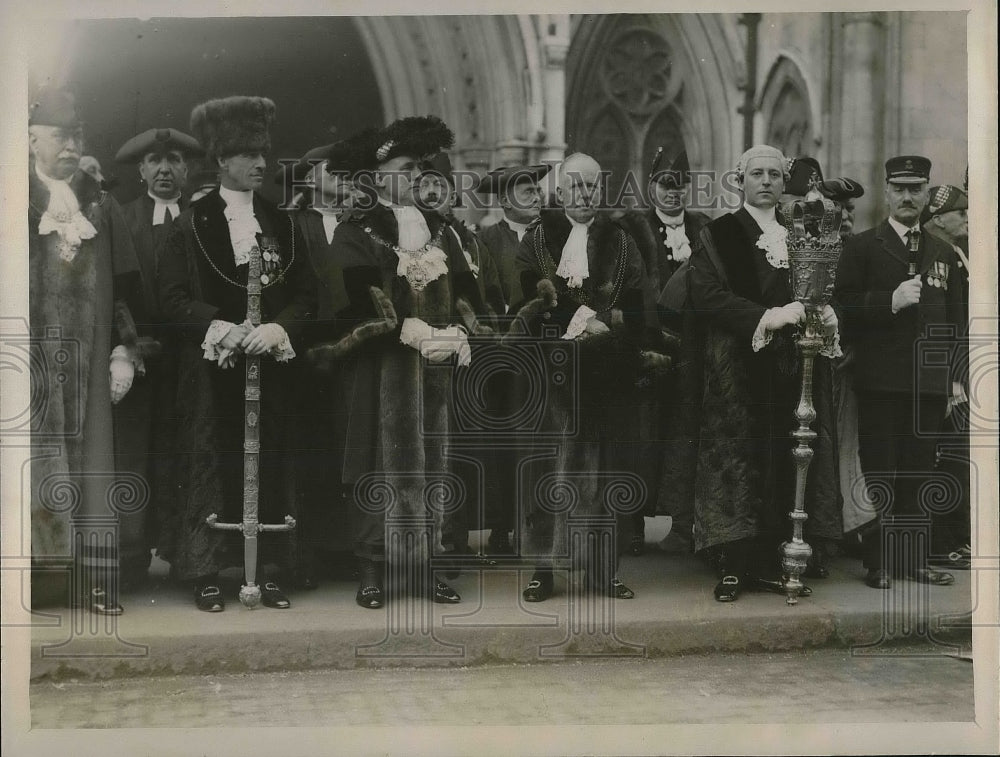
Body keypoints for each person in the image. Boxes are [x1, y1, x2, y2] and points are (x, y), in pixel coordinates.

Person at [157, 95, 318, 612]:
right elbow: (171, 299)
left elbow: (306, 296)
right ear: (222, 160)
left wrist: (276, 328)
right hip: (211, 370)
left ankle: (268, 568)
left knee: (269, 460)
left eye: (263, 153)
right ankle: (204, 570)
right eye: (248, 154)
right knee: (209, 459)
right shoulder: (189, 222)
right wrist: (221, 328)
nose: (262, 164)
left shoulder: (282, 222)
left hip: (271, 365)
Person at [326, 116, 484, 609]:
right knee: (379, 459)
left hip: (435, 370)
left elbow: (470, 291)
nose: (417, 174)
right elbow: (352, 303)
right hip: (380, 370)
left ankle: (427, 564)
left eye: (420, 166)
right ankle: (372, 568)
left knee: (434, 461)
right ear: (377, 177)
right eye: (406, 166)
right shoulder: (356, 232)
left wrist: (462, 331)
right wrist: (405, 331)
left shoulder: (444, 229)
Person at [686, 144, 842, 602]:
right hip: (737, 365)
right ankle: (733, 564)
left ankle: (781, 555)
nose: (767, 182)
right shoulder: (718, 233)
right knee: (737, 459)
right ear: (740, 180)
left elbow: (820, 287)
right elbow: (706, 294)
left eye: (775, 174)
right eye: (757, 174)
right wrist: (766, 316)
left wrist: (825, 313)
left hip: (792, 365)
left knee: (787, 452)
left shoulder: (802, 232)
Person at [513, 152, 659, 603]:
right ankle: (543, 571)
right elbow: (529, 297)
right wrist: (580, 320)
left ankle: (603, 570)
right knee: (547, 473)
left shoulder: (621, 240)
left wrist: (612, 334)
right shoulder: (536, 239)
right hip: (550, 374)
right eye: (576, 186)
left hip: (605, 371)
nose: (585, 194)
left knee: (604, 473)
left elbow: (635, 304)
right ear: (559, 191)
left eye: (592, 186)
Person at [28, 87, 147, 615]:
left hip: (92, 356)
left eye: (77, 136)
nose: (71, 146)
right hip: (28, 358)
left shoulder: (100, 202)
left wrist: (126, 351)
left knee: (96, 465)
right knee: (31, 465)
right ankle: (36, 581)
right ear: (32, 140)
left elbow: (127, 289)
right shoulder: (15, 199)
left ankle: (94, 582)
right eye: (60, 136)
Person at [835, 156, 966, 589]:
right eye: (900, 189)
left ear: (927, 193)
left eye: (916, 189)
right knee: (882, 471)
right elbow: (841, 309)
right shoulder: (863, 248)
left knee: (919, 471)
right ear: (887, 192)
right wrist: (887, 302)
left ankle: (914, 559)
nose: (908, 197)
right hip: (879, 380)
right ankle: (879, 562)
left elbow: (957, 322)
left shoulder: (943, 252)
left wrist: (954, 378)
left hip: (928, 385)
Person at [113, 127, 202, 588]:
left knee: (188, 452)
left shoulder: (205, 217)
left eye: (173, 160)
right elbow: (115, 288)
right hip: (141, 358)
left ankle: (189, 558)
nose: (164, 169)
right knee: (137, 455)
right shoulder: (122, 218)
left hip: (194, 359)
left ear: (188, 169)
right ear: (141, 169)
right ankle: (131, 561)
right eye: (154, 161)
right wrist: (127, 345)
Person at [919, 184, 971, 570]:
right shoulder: (929, 256)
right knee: (945, 458)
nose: (966, 218)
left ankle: (955, 536)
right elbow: (939, 326)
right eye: (960, 212)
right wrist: (950, 381)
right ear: (938, 218)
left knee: (958, 458)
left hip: (965, 370)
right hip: (946, 377)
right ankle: (939, 541)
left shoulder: (957, 253)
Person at [476, 164, 551, 311]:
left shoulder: (553, 235)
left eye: (538, 191)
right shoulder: (484, 240)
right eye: (528, 192)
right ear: (505, 202)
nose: (537, 198)